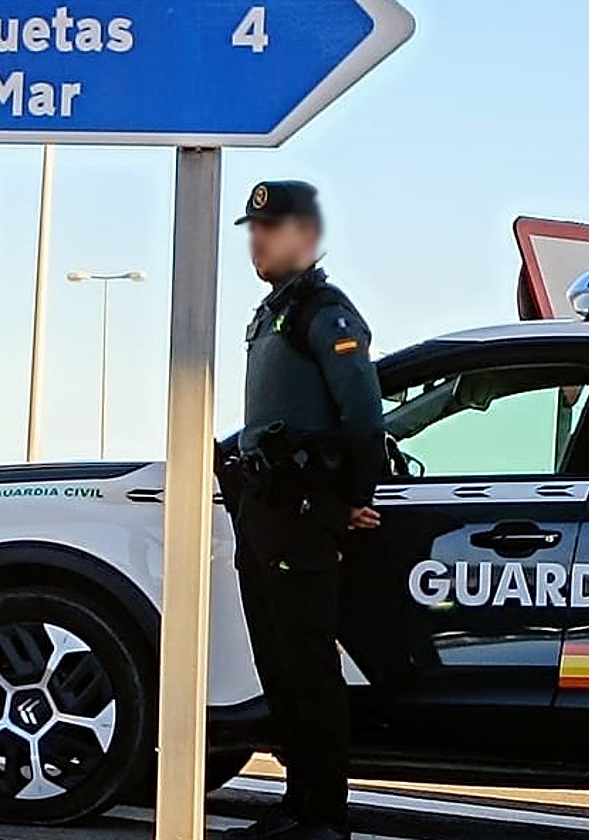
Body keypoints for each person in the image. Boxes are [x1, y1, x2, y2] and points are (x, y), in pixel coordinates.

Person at [223, 181, 385, 840]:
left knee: (310, 668)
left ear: (306, 237)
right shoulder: (272, 314)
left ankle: (324, 816)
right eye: (253, 228)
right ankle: (295, 805)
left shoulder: (326, 313)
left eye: (272, 227)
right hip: (263, 513)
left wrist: (353, 500)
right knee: (279, 667)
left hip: (302, 513)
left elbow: (364, 413)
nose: (257, 239)